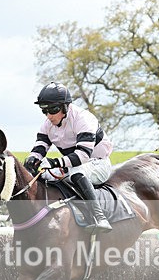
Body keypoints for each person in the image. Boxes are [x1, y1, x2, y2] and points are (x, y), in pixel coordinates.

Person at [23, 82, 113, 233]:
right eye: (44, 110)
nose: (49, 115)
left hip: (98, 163)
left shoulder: (83, 119)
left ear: (65, 107)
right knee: (43, 175)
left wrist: (54, 162)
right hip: (73, 164)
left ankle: (100, 216)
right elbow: (40, 147)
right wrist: (32, 159)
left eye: (53, 109)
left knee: (76, 171)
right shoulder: (47, 124)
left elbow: (83, 156)